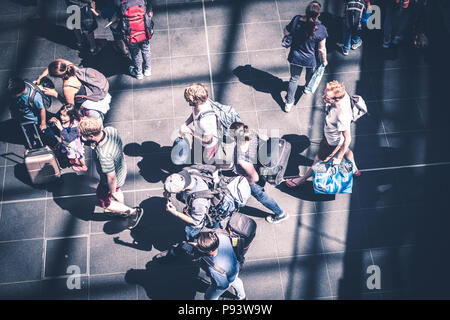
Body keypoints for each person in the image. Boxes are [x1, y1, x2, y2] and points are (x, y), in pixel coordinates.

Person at [285, 81, 361, 188]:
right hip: (332, 135)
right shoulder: (342, 95)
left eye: (327, 97)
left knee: (318, 161)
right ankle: (354, 170)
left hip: (332, 142)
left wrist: (338, 158)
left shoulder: (342, 115)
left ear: (337, 99)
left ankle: (301, 180)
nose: (323, 96)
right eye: (325, 93)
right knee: (346, 150)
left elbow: (347, 139)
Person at [78, 117, 143, 229]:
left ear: (91, 136)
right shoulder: (110, 130)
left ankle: (133, 212)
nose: (84, 138)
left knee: (104, 201)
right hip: (122, 170)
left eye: (85, 135)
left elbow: (111, 177)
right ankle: (121, 208)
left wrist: (111, 191)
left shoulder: (103, 153)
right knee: (118, 191)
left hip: (110, 181)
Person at [229, 122, 289, 224]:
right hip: (259, 165)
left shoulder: (242, 157)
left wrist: (245, 180)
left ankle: (280, 214)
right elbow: (266, 139)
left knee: (261, 196)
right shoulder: (252, 133)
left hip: (251, 176)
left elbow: (254, 178)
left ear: (235, 139)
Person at [283, 1, 328, 112]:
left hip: (295, 56)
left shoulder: (296, 20)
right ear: (318, 15)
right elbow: (321, 49)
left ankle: (288, 103)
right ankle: (307, 88)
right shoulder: (321, 29)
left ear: (306, 11)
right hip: (310, 59)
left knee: (294, 79)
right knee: (310, 74)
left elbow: (286, 31)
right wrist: (324, 60)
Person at [37, 59, 111, 127]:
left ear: (57, 77)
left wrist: (55, 94)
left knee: (96, 124)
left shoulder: (68, 87)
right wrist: (42, 75)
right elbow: (57, 60)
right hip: (95, 90)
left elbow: (70, 107)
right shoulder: (69, 66)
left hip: (89, 103)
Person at [7, 77, 59, 149]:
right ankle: (32, 143)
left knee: (45, 131)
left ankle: (55, 144)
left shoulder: (35, 97)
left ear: (20, 91)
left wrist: (43, 123)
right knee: (27, 132)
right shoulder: (18, 90)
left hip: (35, 119)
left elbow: (42, 109)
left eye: (13, 94)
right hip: (23, 118)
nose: (12, 96)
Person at [163, 169, 213, 241]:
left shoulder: (199, 202)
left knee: (190, 236)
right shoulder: (190, 175)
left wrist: (175, 212)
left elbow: (195, 222)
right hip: (195, 207)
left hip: (196, 224)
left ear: (182, 189)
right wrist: (168, 191)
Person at [196, 231, 246, 300]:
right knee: (236, 281)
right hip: (234, 268)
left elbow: (223, 285)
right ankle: (242, 297)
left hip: (225, 278)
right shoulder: (222, 237)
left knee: (209, 297)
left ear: (209, 251)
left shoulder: (214, 268)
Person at [179, 83, 219, 164]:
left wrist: (190, 131)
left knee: (206, 162)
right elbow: (194, 114)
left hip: (208, 146)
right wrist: (185, 123)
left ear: (196, 101)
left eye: (188, 100)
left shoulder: (204, 121)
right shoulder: (200, 105)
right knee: (197, 155)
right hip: (199, 135)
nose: (187, 101)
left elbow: (208, 140)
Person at [113, 0, 153, 79]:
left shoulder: (120, 3)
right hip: (144, 32)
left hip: (131, 35)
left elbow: (119, 15)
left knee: (135, 54)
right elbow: (149, 10)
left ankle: (138, 73)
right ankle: (148, 69)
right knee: (146, 50)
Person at [49, 104, 87, 172]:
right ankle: (72, 158)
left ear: (71, 116)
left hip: (74, 145)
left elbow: (69, 138)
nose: (61, 117)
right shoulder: (64, 121)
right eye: (61, 114)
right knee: (69, 151)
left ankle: (83, 166)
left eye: (64, 116)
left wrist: (61, 128)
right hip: (66, 144)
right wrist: (51, 122)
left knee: (79, 155)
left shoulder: (75, 127)